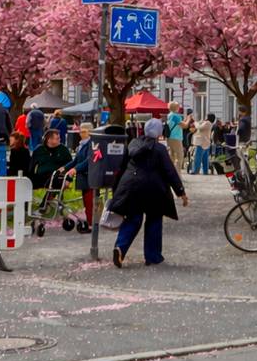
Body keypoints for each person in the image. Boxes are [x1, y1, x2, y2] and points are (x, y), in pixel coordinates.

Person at [109, 118, 188, 267]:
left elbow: (122, 166)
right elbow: (170, 172)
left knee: (133, 219)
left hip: (131, 186)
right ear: (159, 133)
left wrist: (116, 189)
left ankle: (120, 247)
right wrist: (181, 192)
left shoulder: (133, 144)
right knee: (154, 220)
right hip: (154, 189)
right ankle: (153, 256)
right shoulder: (160, 149)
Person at [64, 122, 94, 232]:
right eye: (80, 131)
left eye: (84, 131)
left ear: (90, 132)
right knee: (86, 201)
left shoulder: (92, 144)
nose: (81, 134)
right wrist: (64, 168)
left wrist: (75, 169)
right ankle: (90, 223)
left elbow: (88, 160)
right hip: (83, 176)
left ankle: (91, 225)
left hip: (89, 176)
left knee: (89, 201)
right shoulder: (82, 144)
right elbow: (76, 160)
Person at [165, 102, 184, 168]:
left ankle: (170, 173)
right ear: (176, 108)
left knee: (171, 156)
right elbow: (184, 125)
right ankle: (177, 174)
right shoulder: (176, 116)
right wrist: (189, 118)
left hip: (169, 137)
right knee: (179, 156)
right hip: (176, 138)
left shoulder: (169, 115)